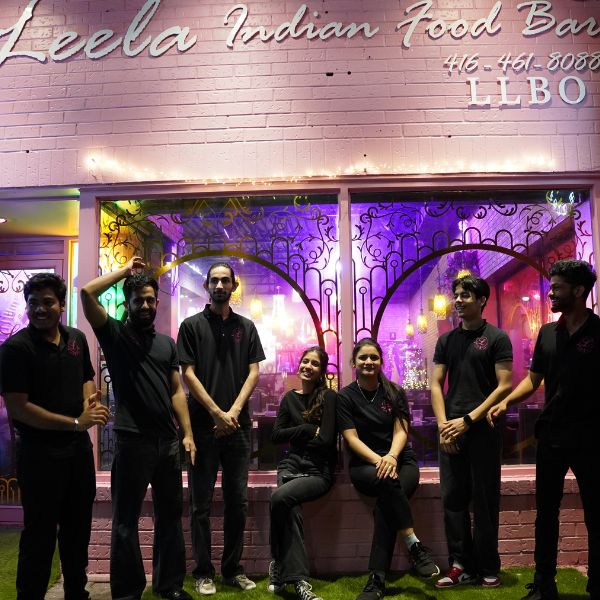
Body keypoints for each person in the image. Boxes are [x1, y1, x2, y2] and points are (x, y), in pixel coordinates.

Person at [80, 257, 196, 600]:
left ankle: (169, 586)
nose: (145, 306)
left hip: (167, 443)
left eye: (149, 300)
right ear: (127, 303)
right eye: (137, 300)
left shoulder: (166, 344)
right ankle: (128, 594)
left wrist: (186, 433)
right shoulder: (115, 334)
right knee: (125, 524)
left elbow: (176, 390)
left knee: (171, 518)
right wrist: (124, 272)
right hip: (132, 443)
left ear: (156, 303)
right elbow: (86, 294)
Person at [488, 259, 599, 600]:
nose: (550, 292)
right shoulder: (547, 333)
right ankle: (543, 584)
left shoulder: (599, 333)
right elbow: (534, 380)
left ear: (579, 291)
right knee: (546, 512)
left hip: (590, 437)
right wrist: (506, 401)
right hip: (551, 434)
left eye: (558, 287)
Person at [0, 272, 109, 600]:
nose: (39, 309)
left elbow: (87, 377)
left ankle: (77, 593)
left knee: (78, 535)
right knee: (39, 539)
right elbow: (19, 409)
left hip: (76, 455)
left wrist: (91, 397)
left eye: (48, 302)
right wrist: (78, 422)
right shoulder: (16, 349)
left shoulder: (75, 338)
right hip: (39, 456)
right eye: (33, 303)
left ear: (62, 305)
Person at [177, 261, 265, 595]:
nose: (218, 285)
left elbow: (254, 371)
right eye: (213, 280)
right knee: (199, 504)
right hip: (202, 428)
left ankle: (232, 570)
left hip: (238, 428)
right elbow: (187, 373)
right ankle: (202, 571)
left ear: (234, 286)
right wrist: (216, 413)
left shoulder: (246, 326)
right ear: (206, 286)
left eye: (224, 280)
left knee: (237, 502)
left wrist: (234, 411)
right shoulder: (191, 326)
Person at [337, 338, 439, 600]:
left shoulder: (394, 391)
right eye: (363, 358)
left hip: (401, 462)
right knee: (388, 485)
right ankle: (413, 545)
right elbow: (351, 438)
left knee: (387, 500)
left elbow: (401, 429)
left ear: (381, 361)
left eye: (374, 357)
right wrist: (380, 460)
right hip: (364, 466)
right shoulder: (345, 396)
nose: (368, 362)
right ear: (354, 363)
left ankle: (377, 579)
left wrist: (392, 457)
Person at [431, 274, 513, 589]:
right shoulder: (446, 340)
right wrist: (443, 427)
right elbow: (436, 384)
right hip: (451, 429)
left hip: (483, 430)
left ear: (481, 300)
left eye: (466, 295)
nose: (459, 300)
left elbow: (504, 385)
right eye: (457, 295)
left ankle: (488, 565)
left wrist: (467, 420)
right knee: (453, 499)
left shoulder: (496, 337)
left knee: (484, 499)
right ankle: (460, 565)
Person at [268, 346, 337, 600]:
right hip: (290, 466)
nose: (308, 366)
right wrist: (307, 429)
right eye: (305, 361)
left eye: (314, 363)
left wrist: (296, 435)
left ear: (321, 370)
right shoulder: (289, 399)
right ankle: (299, 582)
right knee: (290, 507)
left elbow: (328, 441)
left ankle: (277, 564)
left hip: (318, 471)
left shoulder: (329, 398)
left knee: (279, 498)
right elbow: (276, 436)